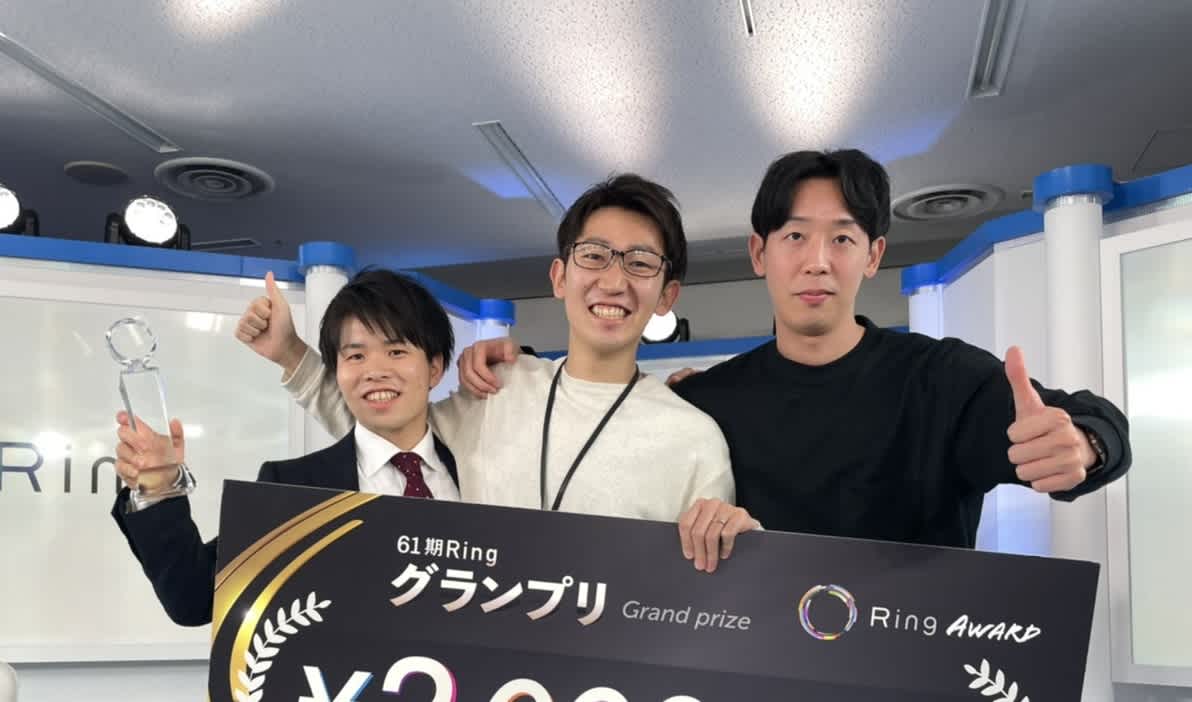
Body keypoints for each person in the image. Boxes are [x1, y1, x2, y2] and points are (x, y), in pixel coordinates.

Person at [455, 149, 1132, 551]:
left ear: (873, 256)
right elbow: (597, 404)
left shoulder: (942, 381)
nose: (816, 262)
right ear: (759, 253)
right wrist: (521, 362)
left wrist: (1088, 443)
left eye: (842, 238)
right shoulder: (707, 402)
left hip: (907, 669)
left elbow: (1063, 425)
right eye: (794, 237)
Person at [238, 174, 756, 572]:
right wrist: (291, 354)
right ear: (560, 276)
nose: (613, 280)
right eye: (594, 256)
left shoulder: (693, 439)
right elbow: (382, 434)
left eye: (641, 263)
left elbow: (708, 595)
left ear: (667, 295)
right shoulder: (498, 389)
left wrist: (744, 547)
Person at [111, 269, 461, 625]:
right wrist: (158, 486)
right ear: (337, 371)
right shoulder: (296, 485)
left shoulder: (482, 473)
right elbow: (194, 598)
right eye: (355, 356)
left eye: (397, 351)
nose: (375, 370)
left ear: (434, 368)